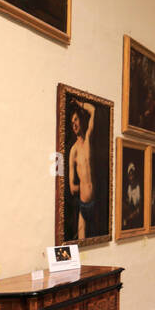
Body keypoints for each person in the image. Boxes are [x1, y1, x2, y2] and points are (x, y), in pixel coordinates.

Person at [68, 100, 97, 239]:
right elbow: (71, 184)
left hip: (96, 202)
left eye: (76, 120)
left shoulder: (88, 139)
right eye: (71, 122)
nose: (74, 124)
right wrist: (76, 186)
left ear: (81, 119)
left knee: (98, 242)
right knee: (82, 241)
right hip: (84, 204)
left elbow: (93, 110)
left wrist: (79, 103)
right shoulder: (73, 150)